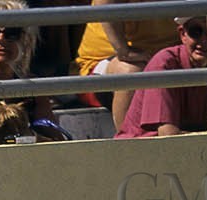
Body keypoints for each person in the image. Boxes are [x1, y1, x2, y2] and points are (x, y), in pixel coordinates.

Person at [115, 13, 207, 138]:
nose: (204, 40)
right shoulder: (164, 64)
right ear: (183, 34)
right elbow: (169, 136)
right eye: (195, 31)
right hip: (142, 152)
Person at [74, 0, 177, 129]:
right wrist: (123, 51)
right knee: (131, 72)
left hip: (168, 60)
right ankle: (129, 142)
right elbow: (105, 5)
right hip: (102, 66)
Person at [0, 0, 55, 129]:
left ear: (27, 39)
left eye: (12, 33)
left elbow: (54, 137)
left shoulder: (33, 85)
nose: (0, 39)